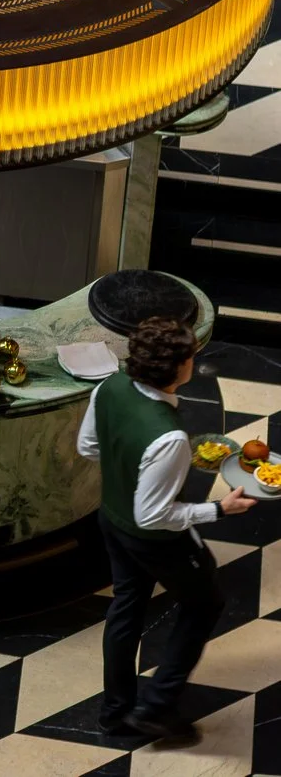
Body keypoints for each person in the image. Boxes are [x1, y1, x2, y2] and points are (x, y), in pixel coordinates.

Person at [77, 314, 252, 742]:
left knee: (126, 608)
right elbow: (153, 516)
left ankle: (114, 714)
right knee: (204, 603)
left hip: (111, 521)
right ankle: (155, 708)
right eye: (191, 355)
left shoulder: (109, 387)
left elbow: (87, 447)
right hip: (153, 539)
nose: (195, 360)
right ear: (178, 369)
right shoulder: (168, 439)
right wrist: (219, 509)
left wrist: (134, 467)